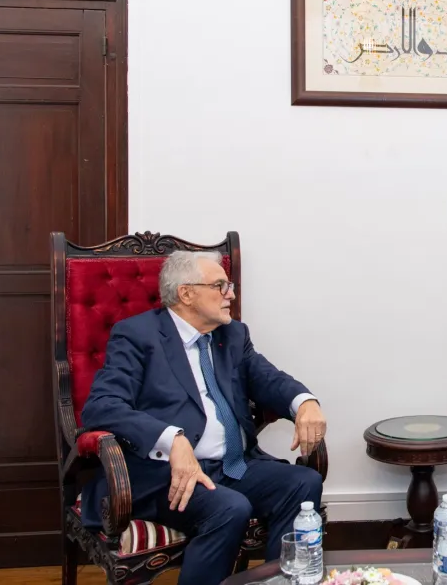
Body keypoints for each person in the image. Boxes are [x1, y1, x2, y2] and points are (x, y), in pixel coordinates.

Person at [80, 250, 327, 585]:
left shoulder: (234, 335)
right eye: (220, 286)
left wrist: (305, 402)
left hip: (232, 465)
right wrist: (172, 439)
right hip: (163, 474)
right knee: (230, 508)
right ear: (186, 293)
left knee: (303, 483)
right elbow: (103, 405)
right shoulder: (138, 335)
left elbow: (269, 380)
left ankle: (282, 582)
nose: (232, 294)